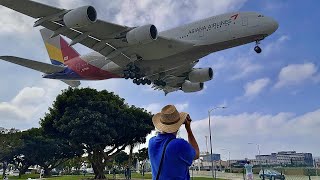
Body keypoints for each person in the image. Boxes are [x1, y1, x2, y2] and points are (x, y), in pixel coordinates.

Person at [148, 105, 200, 180]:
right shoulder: (179, 144)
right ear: (179, 124)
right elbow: (197, 154)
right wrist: (188, 128)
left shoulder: (151, 142)